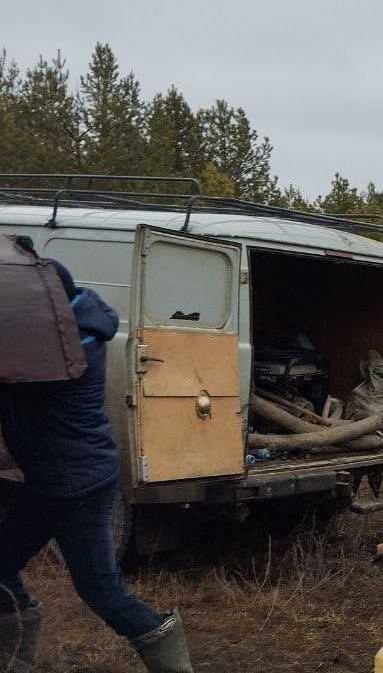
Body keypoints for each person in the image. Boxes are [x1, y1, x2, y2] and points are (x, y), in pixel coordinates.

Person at [0, 242, 193, 672]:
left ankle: (174, 667)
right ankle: (13, 659)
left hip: (76, 486)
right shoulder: (59, 329)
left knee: (101, 592)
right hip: (49, 479)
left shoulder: (69, 350)